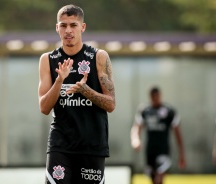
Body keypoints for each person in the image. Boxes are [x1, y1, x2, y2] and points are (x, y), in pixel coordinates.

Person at [38, 4, 116, 184]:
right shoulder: (47, 60)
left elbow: (111, 104)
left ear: (83, 27)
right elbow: (44, 107)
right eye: (63, 25)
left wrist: (85, 90)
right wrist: (60, 80)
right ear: (57, 28)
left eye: (73, 25)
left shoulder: (98, 57)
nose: (68, 30)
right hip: (61, 145)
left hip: (92, 145)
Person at [131, 87, 185, 184]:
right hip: (150, 150)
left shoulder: (169, 111)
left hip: (163, 150)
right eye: (153, 96)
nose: (155, 98)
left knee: (159, 176)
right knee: (153, 178)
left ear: (160, 96)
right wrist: (135, 140)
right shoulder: (145, 110)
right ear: (150, 96)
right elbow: (136, 127)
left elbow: (177, 133)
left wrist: (181, 154)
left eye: (157, 96)